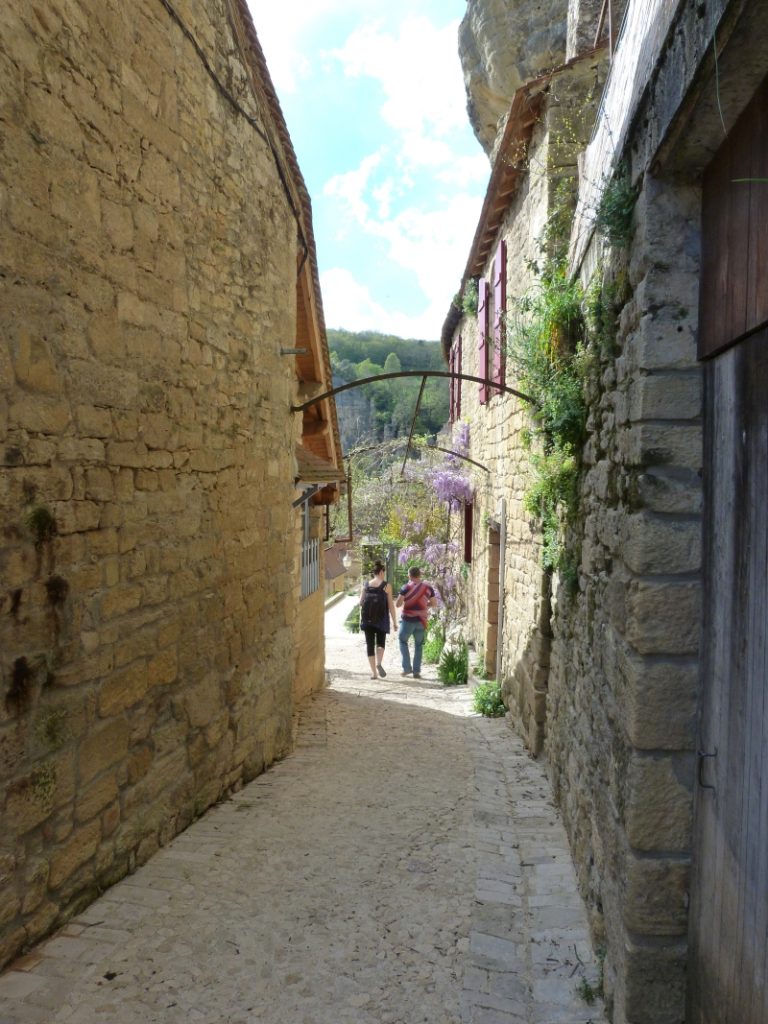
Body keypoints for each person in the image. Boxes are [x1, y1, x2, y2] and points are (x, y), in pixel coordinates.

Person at [395, 565, 436, 679]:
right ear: (420, 575)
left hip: (408, 621)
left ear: (409, 575)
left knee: (402, 641)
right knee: (418, 645)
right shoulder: (428, 588)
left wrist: (406, 601)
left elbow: (397, 604)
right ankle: (416, 672)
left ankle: (407, 668)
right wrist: (424, 605)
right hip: (421, 621)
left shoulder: (406, 587)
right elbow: (434, 603)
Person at [359, 560, 398, 680]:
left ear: (374, 573)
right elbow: (391, 605)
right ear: (381, 572)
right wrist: (394, 622)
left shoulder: (366, 585)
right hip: (381, 619)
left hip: (368, 620)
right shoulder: (387, 586)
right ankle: (379, 663)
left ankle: (374, 673)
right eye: (383, 573)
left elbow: (360, 602)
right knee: (380, 643)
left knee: (370, 645)